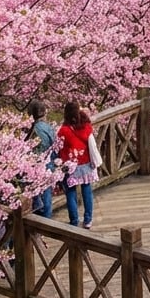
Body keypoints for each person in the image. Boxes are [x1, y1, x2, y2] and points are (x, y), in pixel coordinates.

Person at [57, 101, 98, 229]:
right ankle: (88, 220)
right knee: (87, 190)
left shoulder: (63, 130)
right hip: (85, 162)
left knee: (70, 193)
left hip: (70, 165)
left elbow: (59, 147)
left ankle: (74, 221)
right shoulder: (86, 126)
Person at [26, 98, 57, 218]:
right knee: (46, 193)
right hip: (47, 163)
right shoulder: (48, 128)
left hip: (31, 165)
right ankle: (47, 219)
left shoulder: (29, 128)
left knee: (35, 193)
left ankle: (38, 217)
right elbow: (54, 144)